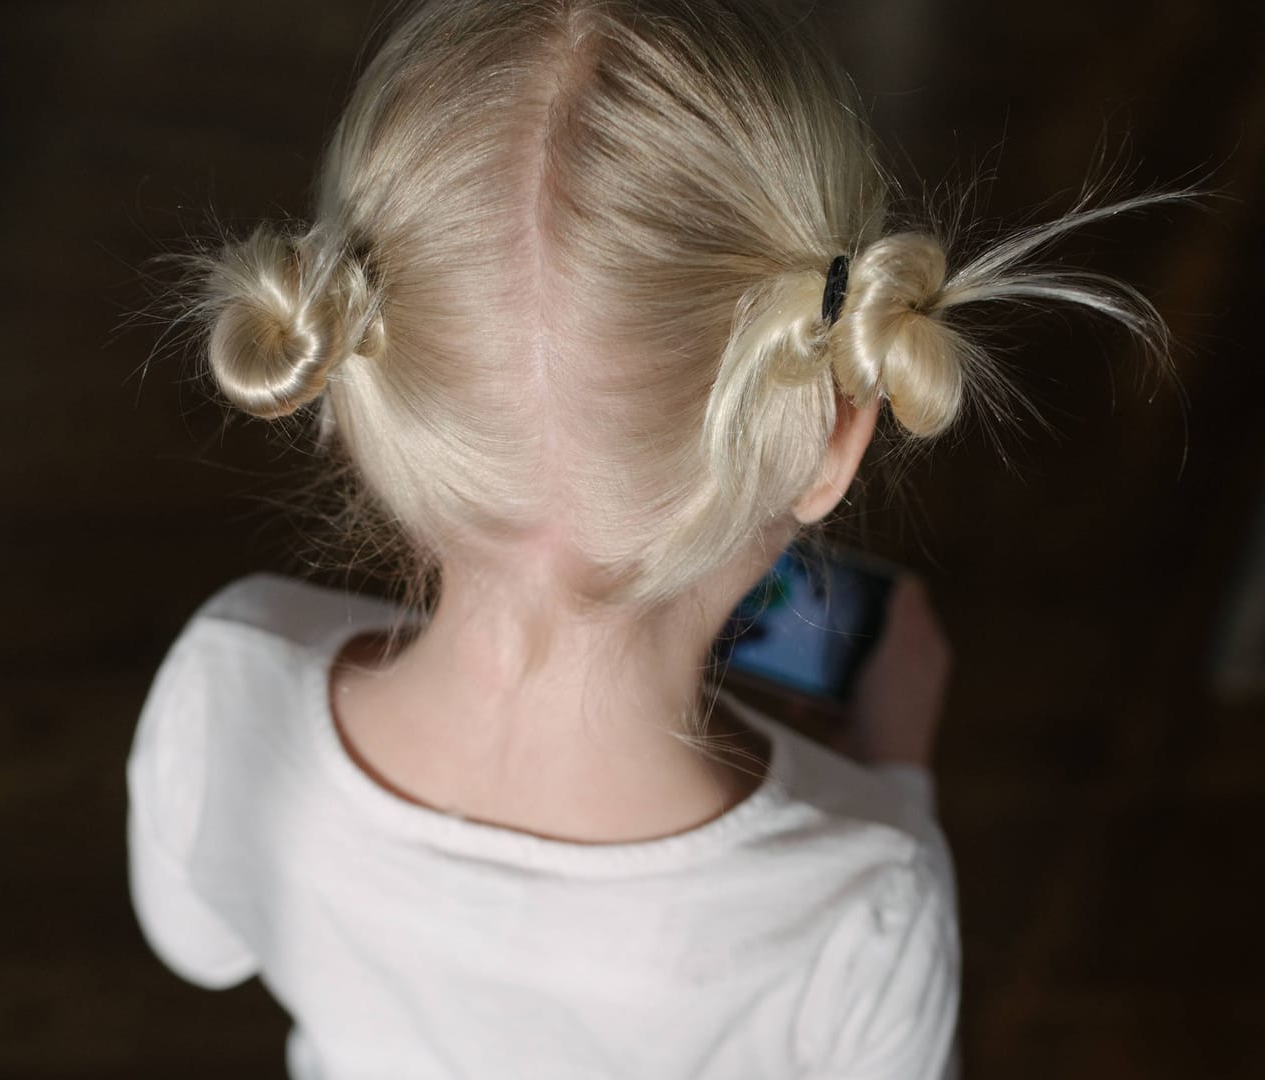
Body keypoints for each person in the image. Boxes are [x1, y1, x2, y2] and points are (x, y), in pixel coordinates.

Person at [127, 1, 1176, 1076]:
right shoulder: (865, 896)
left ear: (352, 406)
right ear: (836, 438)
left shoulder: (229, 676)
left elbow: (199, 942)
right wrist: (889, 771)